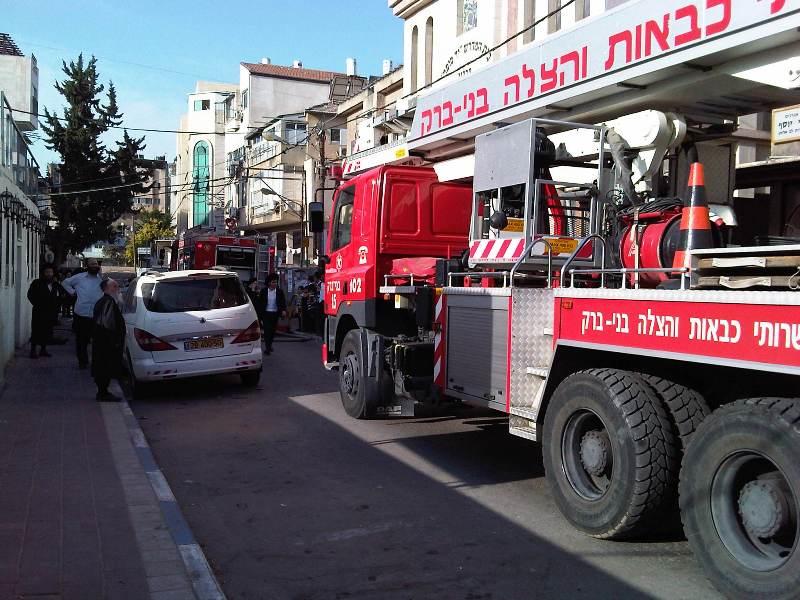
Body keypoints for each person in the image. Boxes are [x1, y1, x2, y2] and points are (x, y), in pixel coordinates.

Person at [62, 259, 104, 369]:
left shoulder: (101, 279)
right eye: (92, 264)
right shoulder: (80, 277)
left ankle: (96, 362)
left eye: (96, 264)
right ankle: (82, 361)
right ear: (87, 266)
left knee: (98, 341)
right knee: (81, 340)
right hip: (81, 313)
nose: (95, 266)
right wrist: (72, 292)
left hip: (96, 315)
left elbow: (110, 289)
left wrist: (102, 276)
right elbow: (65, 283)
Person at [91, 278, 125, 402]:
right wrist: (114, 340)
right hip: (105, 343)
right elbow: (106, 324)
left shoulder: (106, 301)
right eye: (114, 287)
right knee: (104, 367)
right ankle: (103, 393)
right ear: (106, 289)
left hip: (103, 342)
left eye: (117, 286)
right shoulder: (107, 302)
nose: (118, 289)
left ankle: (103, 391)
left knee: (103, 367)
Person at [26, 264, 63, 358]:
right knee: (36, 331)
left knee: (47, 331)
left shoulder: (55, 284)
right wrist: (38, 304)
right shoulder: (36, 283)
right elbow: (30, 295)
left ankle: (43, 350)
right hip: (39, 312)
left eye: (50, 272)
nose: (49, 274)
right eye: (47, 272)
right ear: (43, 273)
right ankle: (33, 351)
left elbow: (59, 296)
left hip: (50, 313)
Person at [258, 273, 286, 355]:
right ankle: (267, 348)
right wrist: (260, 315)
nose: (275, 284)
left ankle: (270, 345)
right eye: (273, 282)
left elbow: (282, 302)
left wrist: (283, 310)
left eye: (276, 282)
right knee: (267, 330)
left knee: (272, 331)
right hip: (266, 313)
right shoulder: (263, 291)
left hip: (275, 313)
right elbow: (260, 303)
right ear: (269, 283)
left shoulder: (279, 292)